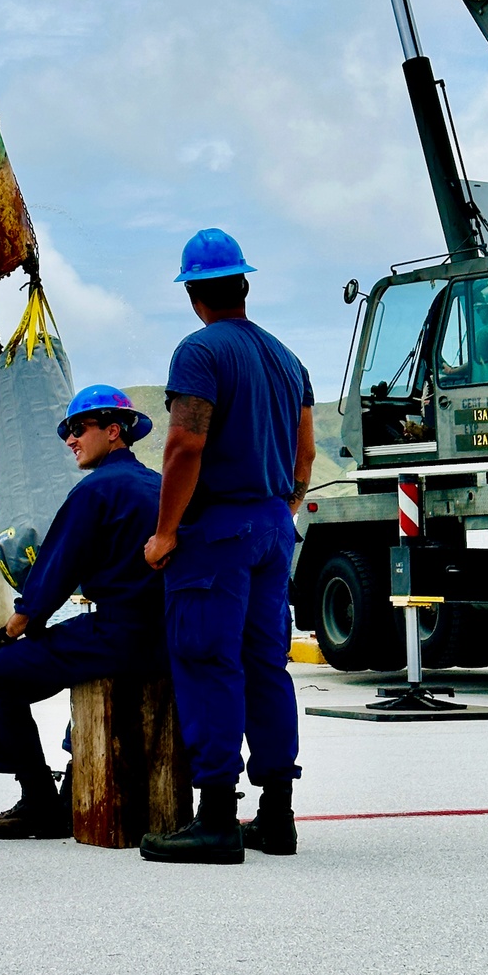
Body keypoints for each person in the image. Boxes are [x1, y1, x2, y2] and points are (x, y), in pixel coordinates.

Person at [140, 229, 316, 865]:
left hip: (218, 533)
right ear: (243, 284)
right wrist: (285, 503)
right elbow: (305, 454)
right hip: (273, 526)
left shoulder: (198, 353)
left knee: (208, 661)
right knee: (266, 666)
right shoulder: (288, 359)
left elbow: (185, 445)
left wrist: (164, 534)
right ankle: (276, 816)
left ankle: (215, 817)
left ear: (193, 293)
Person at [0, 384, 164, 839]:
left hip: (118, 632)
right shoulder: (161, 485)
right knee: (73, 650)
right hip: (168, 633)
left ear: (114, 431)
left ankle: (37, 797)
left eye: (78, 428)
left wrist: (6, 634)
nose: (70, 440)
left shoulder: (96, 491)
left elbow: (53, 575)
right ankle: (76, 774)